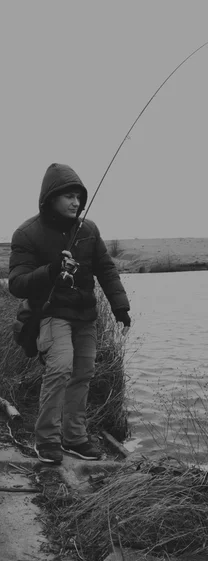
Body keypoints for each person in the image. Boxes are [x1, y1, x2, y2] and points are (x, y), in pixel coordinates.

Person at [9, 163, 131, 465]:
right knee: (61, 367)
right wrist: (51, 271)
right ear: (50, 197)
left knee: (84, 373)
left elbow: (105, 268)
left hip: (85, 315)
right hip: (50, 314)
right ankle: (47, 440)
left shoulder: (88, 229)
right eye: (68, 196)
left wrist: (120, 306)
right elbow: (17, 283)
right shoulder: (27, 233)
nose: (75, 202)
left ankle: (75, 438)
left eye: (78, 196)